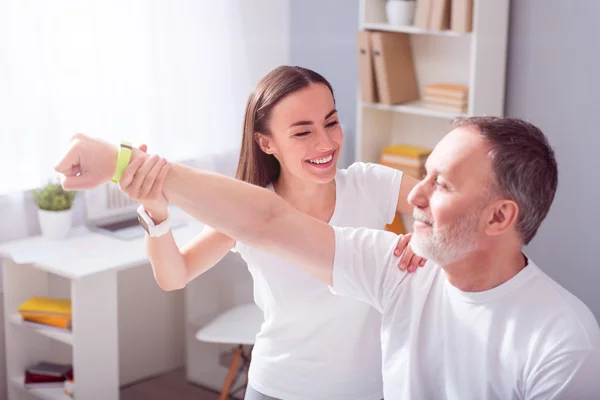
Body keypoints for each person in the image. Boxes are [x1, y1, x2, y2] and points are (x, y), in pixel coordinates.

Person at [56, 115, 600, 399]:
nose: (415, 196)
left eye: (441, 184)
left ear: (500, 218)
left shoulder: (561, 342)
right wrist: (121, 161)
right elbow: (265, 220)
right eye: (424, 174)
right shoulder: (397, 268)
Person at [76, 66, 426, 400]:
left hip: (368, 389)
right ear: (266, 142)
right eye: (303, 132)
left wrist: (427, 242)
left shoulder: (371, 184)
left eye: (331, 122)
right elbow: (174, 275)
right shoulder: (250, 212)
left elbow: (450, 211)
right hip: (279, 388)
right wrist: (156, 212)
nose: (326, 143)